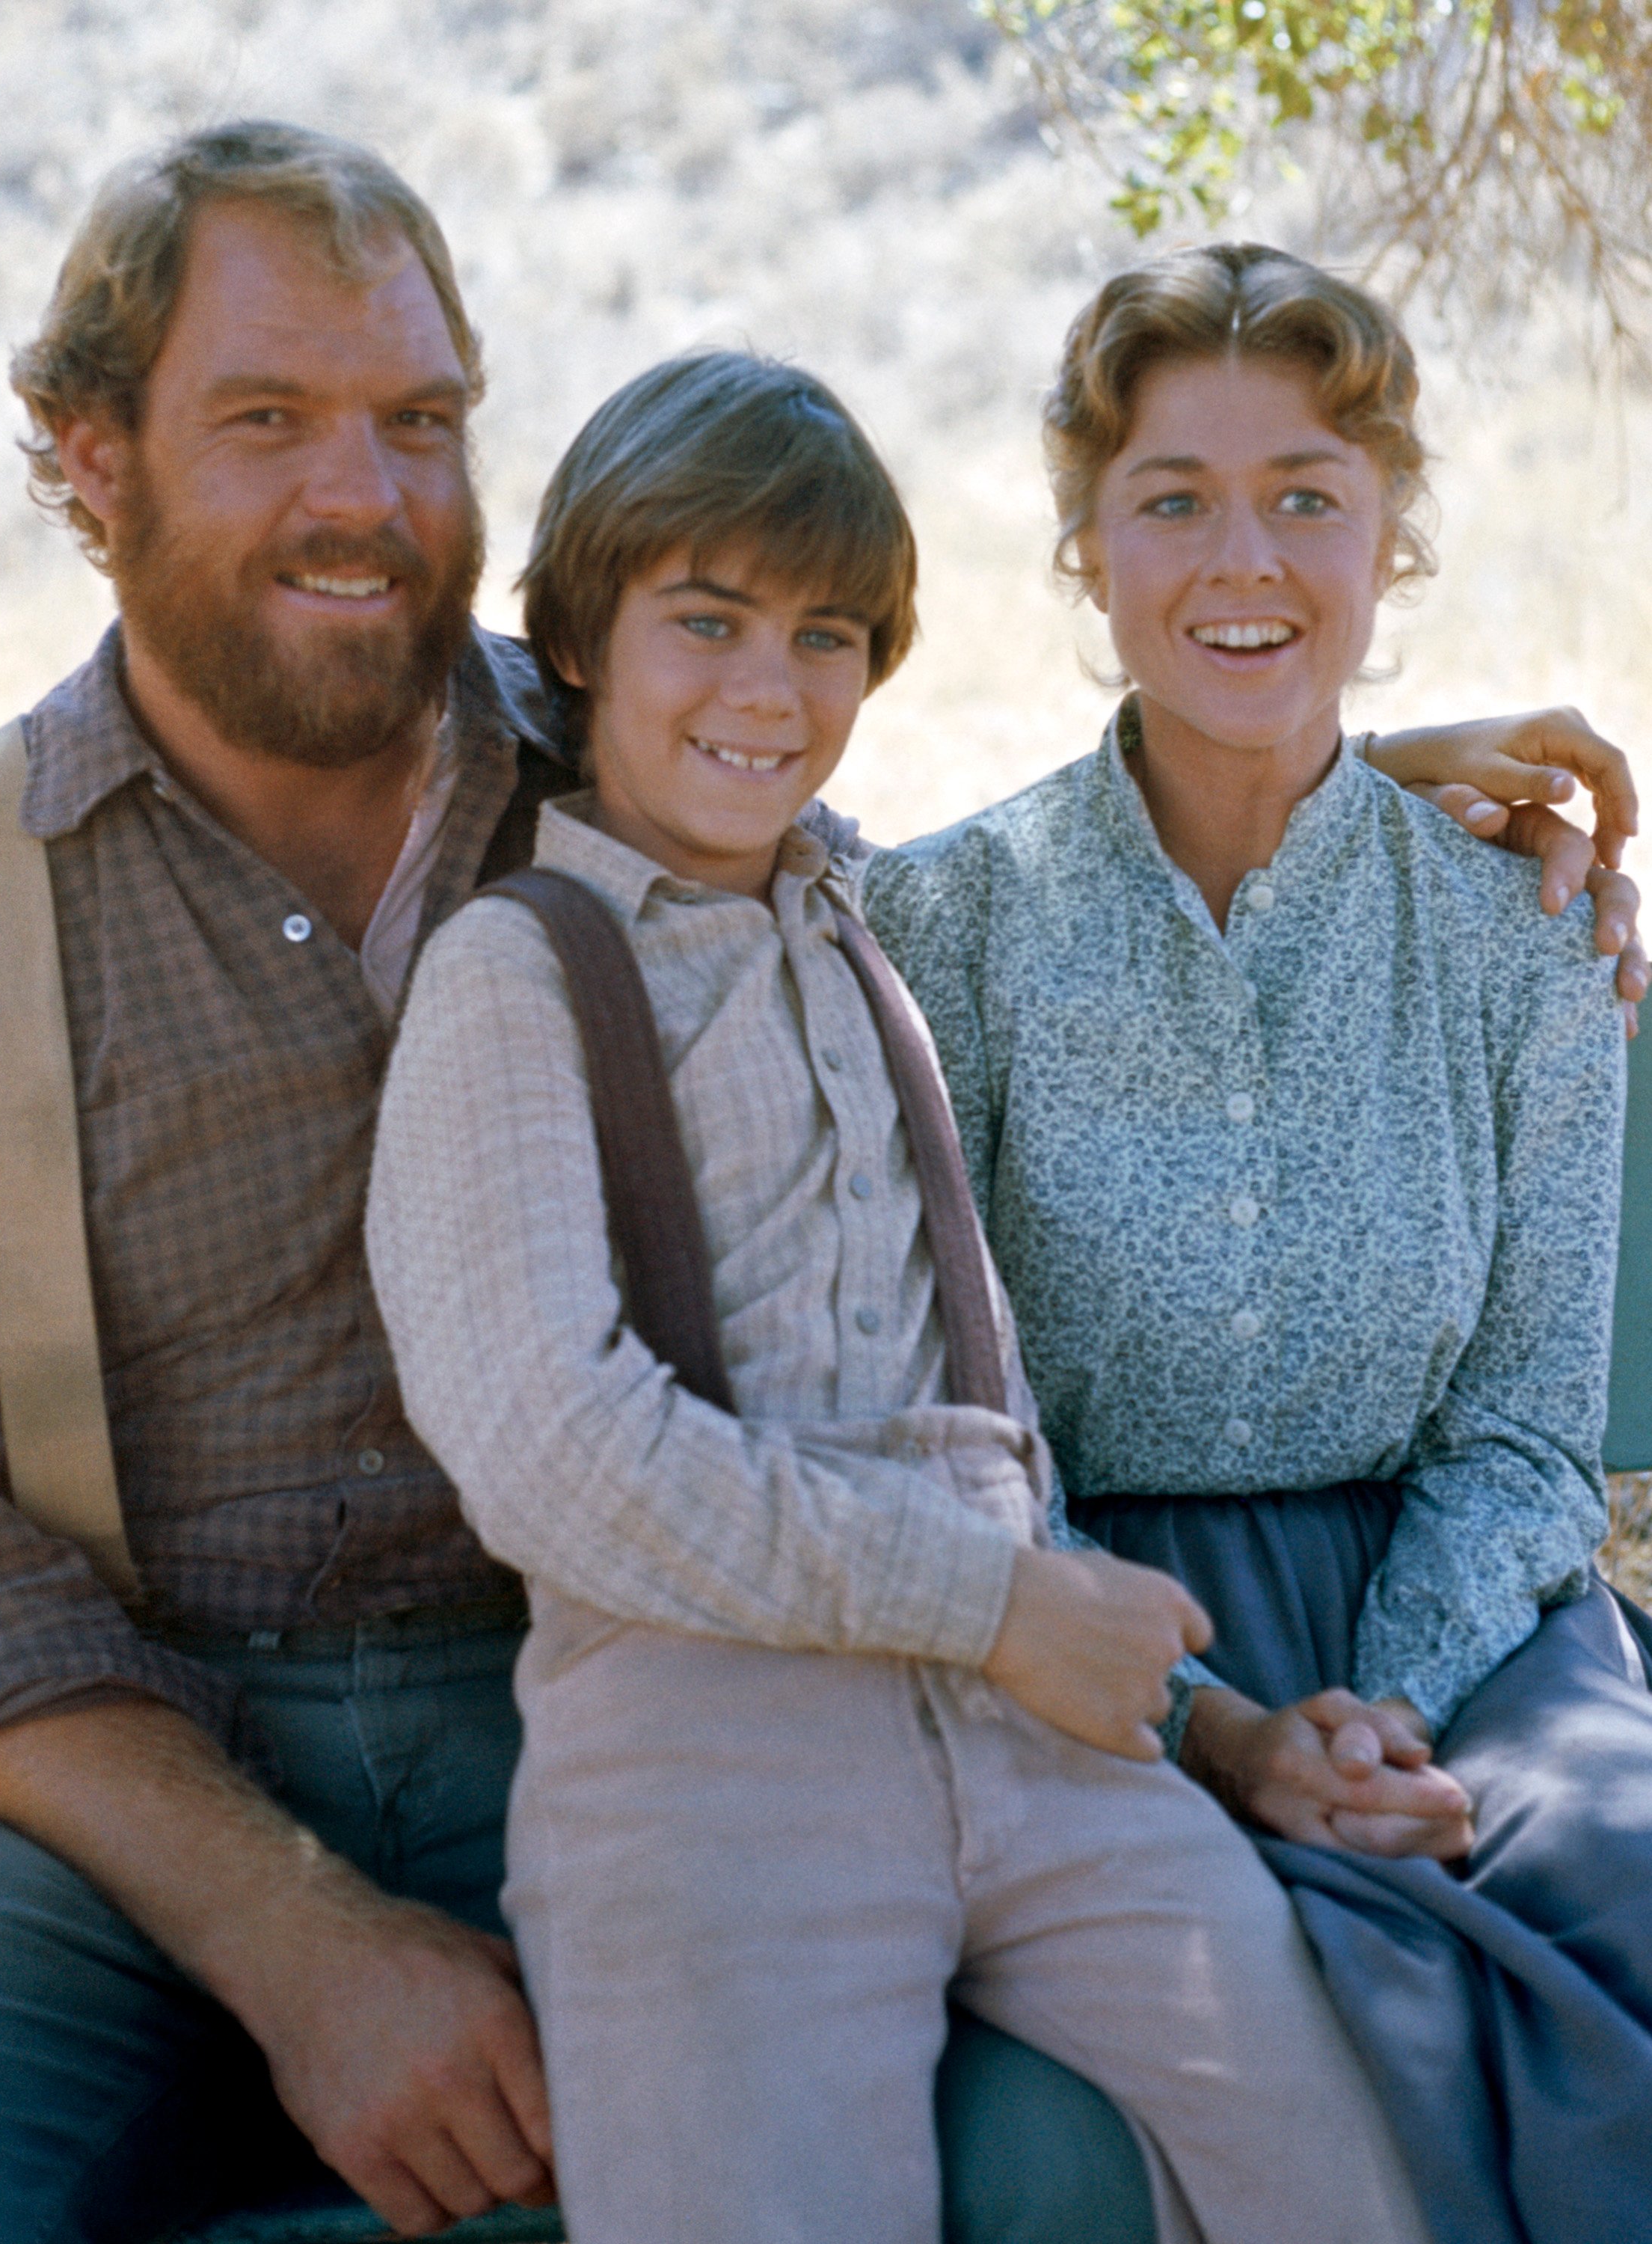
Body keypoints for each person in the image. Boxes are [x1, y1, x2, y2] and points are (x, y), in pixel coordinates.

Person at [0, 119, 1633, 2244]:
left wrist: (1333, 771)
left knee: (1074, 2156)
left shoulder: (642, 761)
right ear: (89, 450)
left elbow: (880, 837)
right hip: (183, 1742)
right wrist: (293, 1937)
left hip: (760, 1649)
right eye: (267, 420)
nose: (362, 495)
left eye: (420, 423)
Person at [365, 345, 1441, 2244]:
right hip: (712, 1769)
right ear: (579, 639)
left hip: (1040, 1749)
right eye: (708, 621)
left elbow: (992, 1461)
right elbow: (552, 1453)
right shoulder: (515, 980)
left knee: (1347, 2170)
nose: (771, 693)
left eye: (830, 637)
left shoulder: (858, 922)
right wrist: (1000, 1608)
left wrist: (1218, 1729)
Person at [862, 242, 1651, 2240]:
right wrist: (1224, 1734)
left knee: (1623, 1908)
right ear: (1083, 544)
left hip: (1469, 1620)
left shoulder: (1522, 942)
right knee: (1182, 2036)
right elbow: (939, 1422)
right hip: (1076, 1632)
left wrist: (1383, 1704)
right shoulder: (946, 934)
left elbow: (1532, 1433)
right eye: (1174, 499)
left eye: (1310, 493)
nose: (1249, 558)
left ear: (1392, 534)